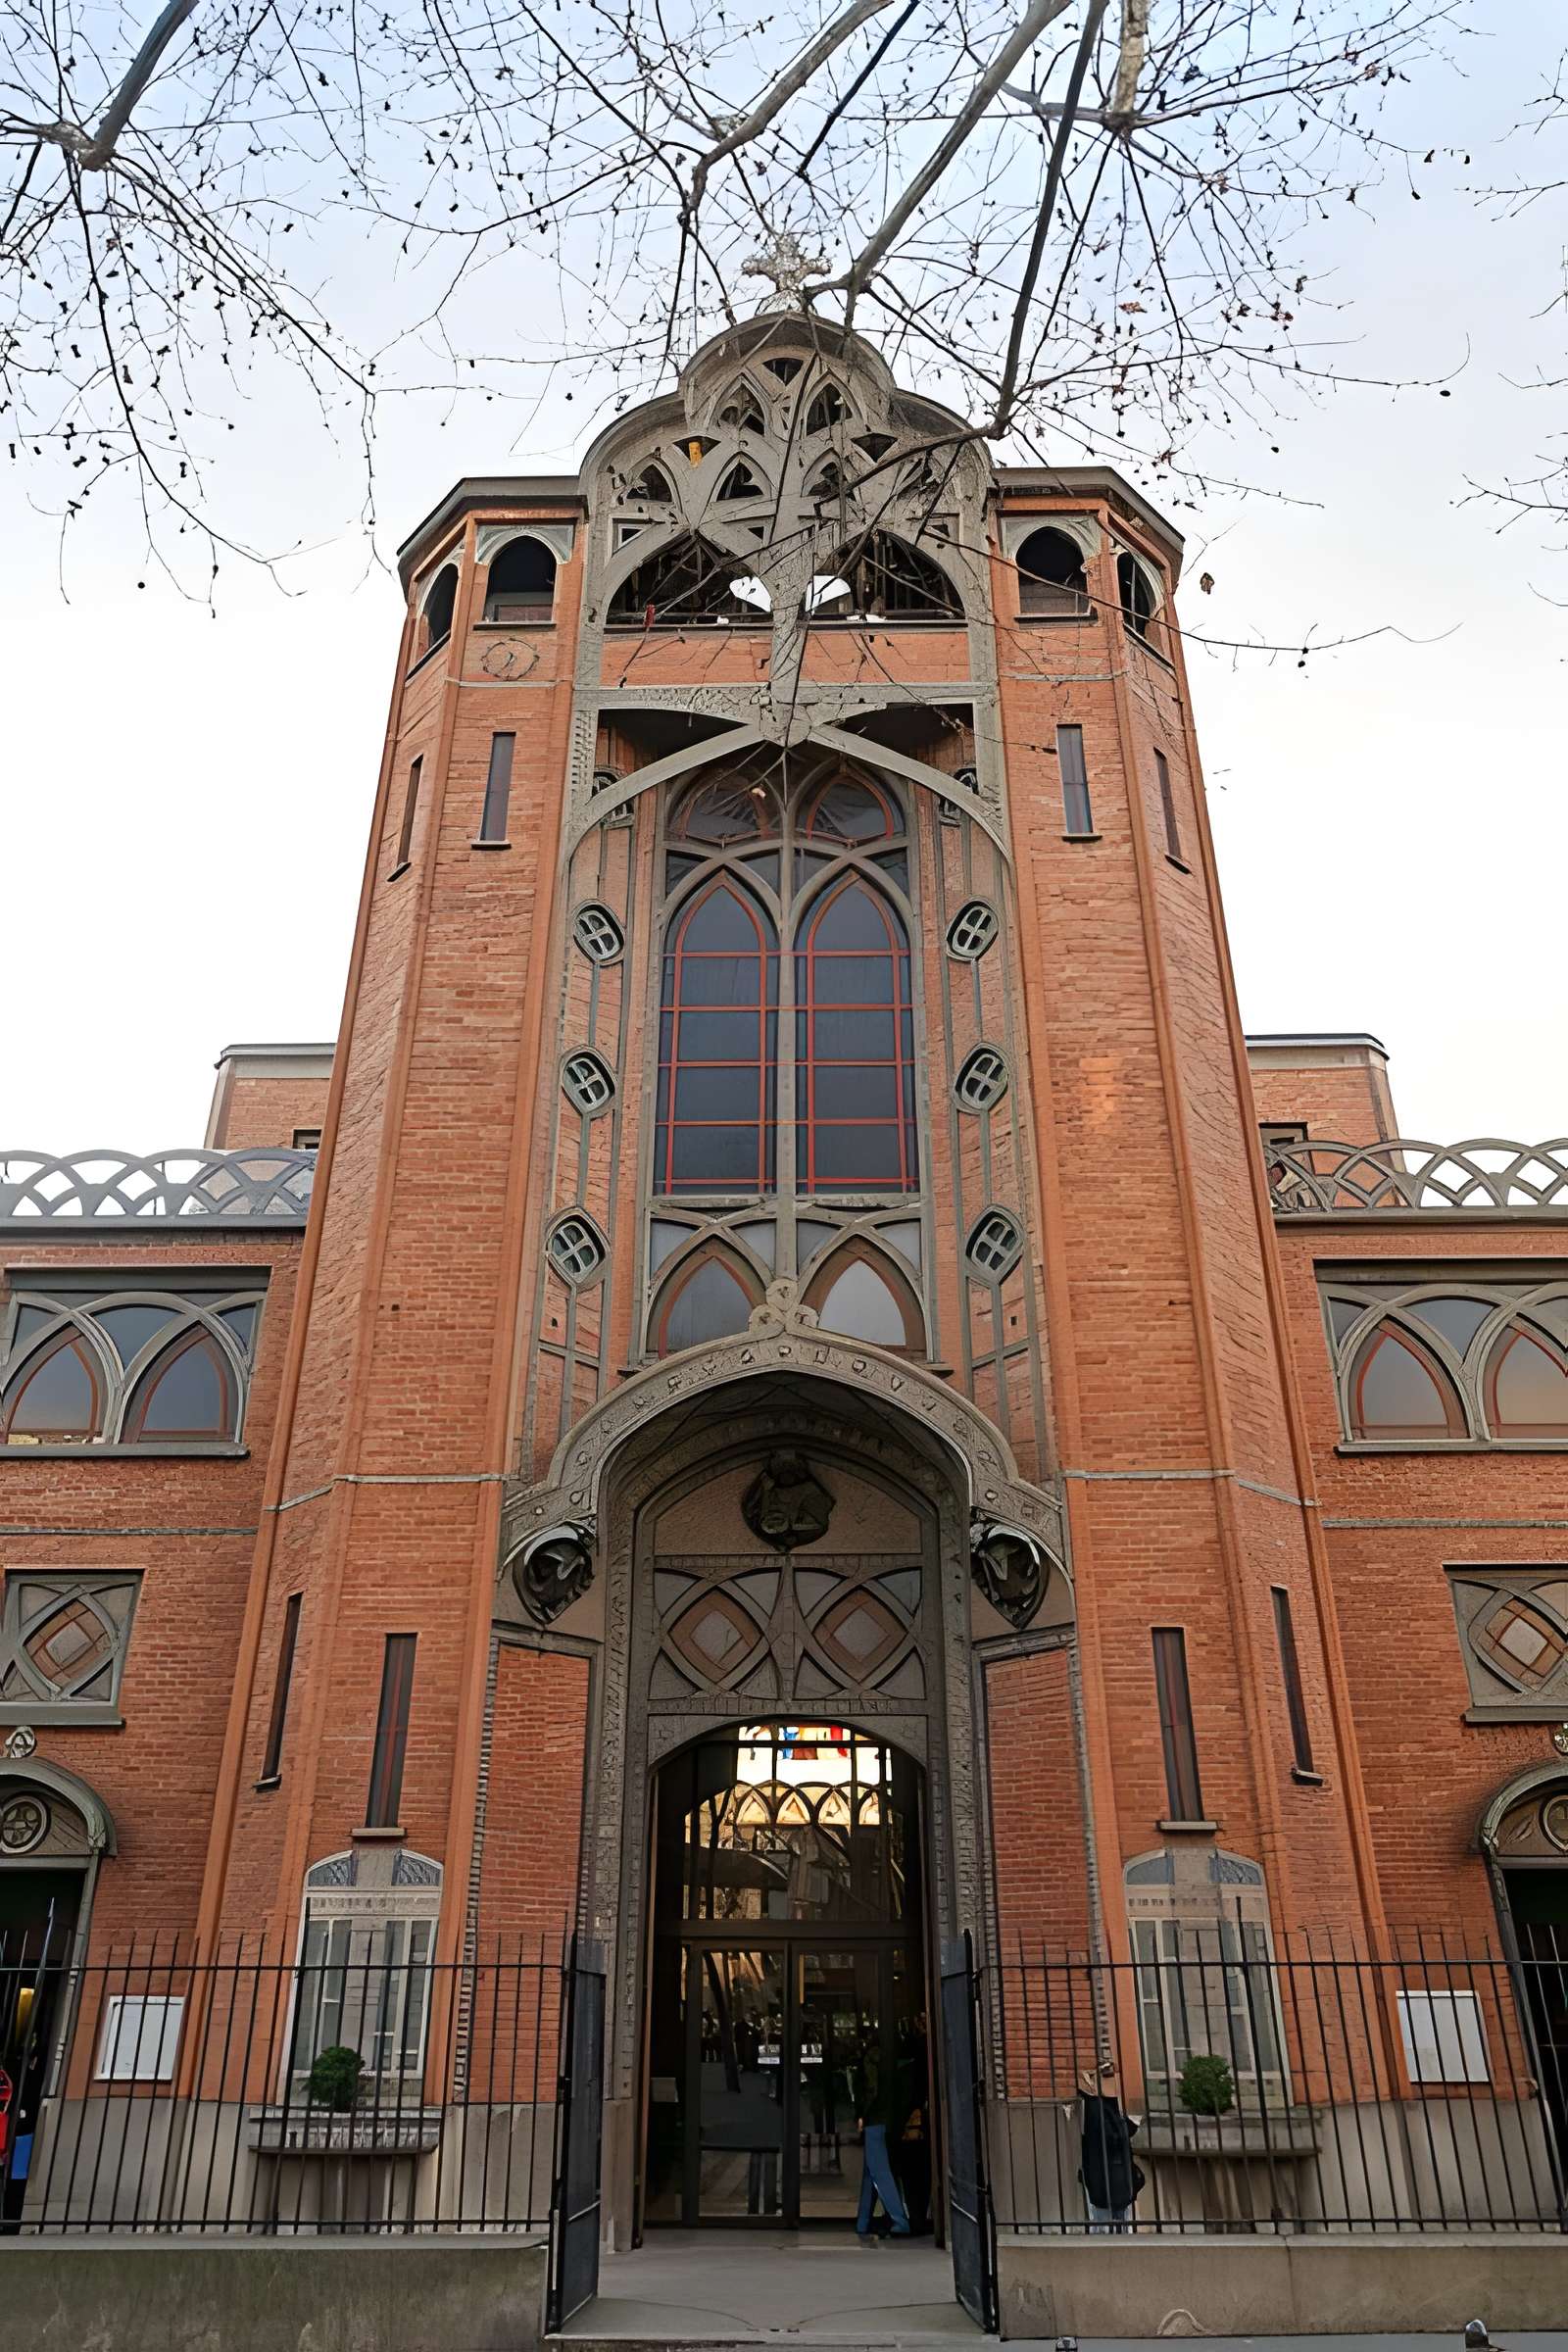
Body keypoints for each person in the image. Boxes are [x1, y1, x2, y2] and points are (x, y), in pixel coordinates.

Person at [856, 2036, 912, 2239]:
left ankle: (899, 2220)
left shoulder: (872, 2058)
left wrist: (862, 2114)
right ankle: (863, 2221)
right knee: (871, 2173)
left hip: (875, 2120)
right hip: (890, 2119)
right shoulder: (897, 2061)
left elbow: (871, 2090)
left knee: (879, 2172)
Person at [1076, 2058, 1143, 2231]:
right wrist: (1131, 2124)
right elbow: (1112, 2137)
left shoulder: (1103, 2104)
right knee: (1108, 2225)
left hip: (1112, 2177)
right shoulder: (1096, 2106)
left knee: (1115, 2222)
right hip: (1108, 2176)